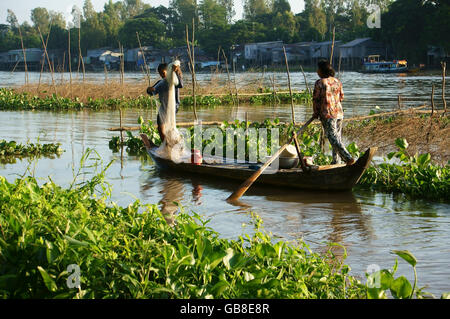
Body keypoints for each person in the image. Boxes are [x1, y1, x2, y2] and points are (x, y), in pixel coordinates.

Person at [312, 60, 355, 165]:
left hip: (328, 114)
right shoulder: (337, 81)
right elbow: (341, 97)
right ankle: (336, 161)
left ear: (322, 70)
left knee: (332, 137)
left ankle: (347, 157)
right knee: (337, 137)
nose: (317, 71)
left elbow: (316, 99)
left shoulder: (320, 82)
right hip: (339, 113)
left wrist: (315, 112)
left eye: (318, 69)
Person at [147, 63, 184, 142]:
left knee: (170, 127)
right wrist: (149, 89)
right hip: (163, 107)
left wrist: (177, 71)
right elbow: (152, 91)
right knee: (160, 126)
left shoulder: (174, 81)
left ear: (168, 71)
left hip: (173, 107)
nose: (162, 75)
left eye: (163, 73)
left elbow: (181, 85)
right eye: (160, 74)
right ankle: (165, 144)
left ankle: (175, 143)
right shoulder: (161, 83)